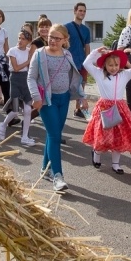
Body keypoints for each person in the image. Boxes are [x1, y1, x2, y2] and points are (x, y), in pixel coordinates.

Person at [28, 24, 85, 192]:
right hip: (47, 100)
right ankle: (57, 175)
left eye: (57, 38)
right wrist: (36, 97)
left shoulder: (67, 54)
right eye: (51, 37)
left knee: (53, 134)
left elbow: (74, 77)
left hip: (64, 98)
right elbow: (31, 78)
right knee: (54, 136)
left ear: (65, 40)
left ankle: (44, 169)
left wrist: (81, 96)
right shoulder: (40, 54)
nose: (53, 40)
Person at [81, 47, 131, 174]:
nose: (114, 68)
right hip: (104, 109)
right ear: (104, 65)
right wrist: (96, 51)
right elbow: (86, 64)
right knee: (102, 136)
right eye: (110, 65)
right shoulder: (99, 73)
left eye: (116, 65)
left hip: (119, 109)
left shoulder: (124, 74)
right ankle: (96, 154)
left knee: (118, 137)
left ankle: (116, 164)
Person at [0, 29, 36, 147]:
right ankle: (3, 125)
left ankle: (24, 137)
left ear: (28, 41)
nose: (20, 41)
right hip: (15, 79)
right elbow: (16, 68)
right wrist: (28, 61)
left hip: (26, 80)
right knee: (15, 110)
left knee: (28, 110)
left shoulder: (29, 51)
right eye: (19, 38)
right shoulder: (12, 51)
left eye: (23, 39)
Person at [65, 2, 91, 118]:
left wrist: (87, 62)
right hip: (69, 62)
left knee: (82, 84)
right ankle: (63, 109)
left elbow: (87, 46)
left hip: (82, 62)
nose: (82, 13)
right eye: (80, 10)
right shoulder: (66, 27)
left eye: (84, 11)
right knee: (67, 87)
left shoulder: (86, 30)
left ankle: (78, 109)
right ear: (75, 11)